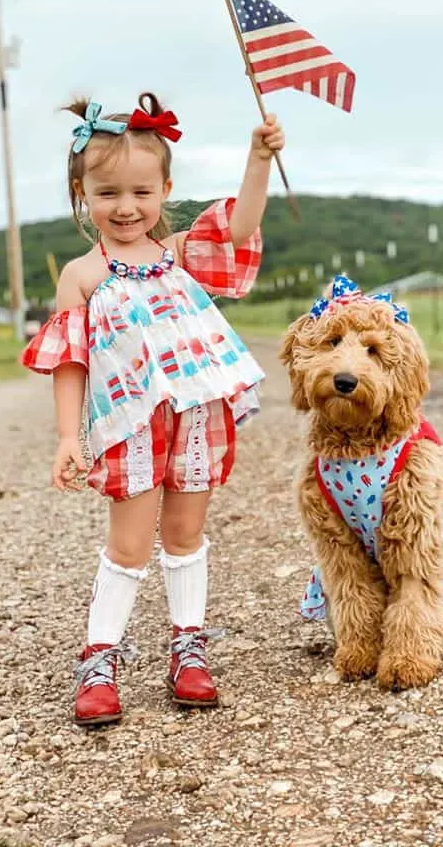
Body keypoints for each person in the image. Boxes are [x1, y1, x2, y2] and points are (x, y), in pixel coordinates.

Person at [21, 92, 284, 726]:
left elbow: (241, 226)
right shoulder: (83, 276)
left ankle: (188, 649)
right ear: (83, 194)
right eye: (108, 193)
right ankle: (100, 657)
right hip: (130, 424)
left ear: (165, 189)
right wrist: (66, 436)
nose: (127, 207)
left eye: (142, 192)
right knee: (130, 544)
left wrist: (258, 161)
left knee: (186, 534)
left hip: (194, 417)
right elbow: (71, 361)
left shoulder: (179, 255)